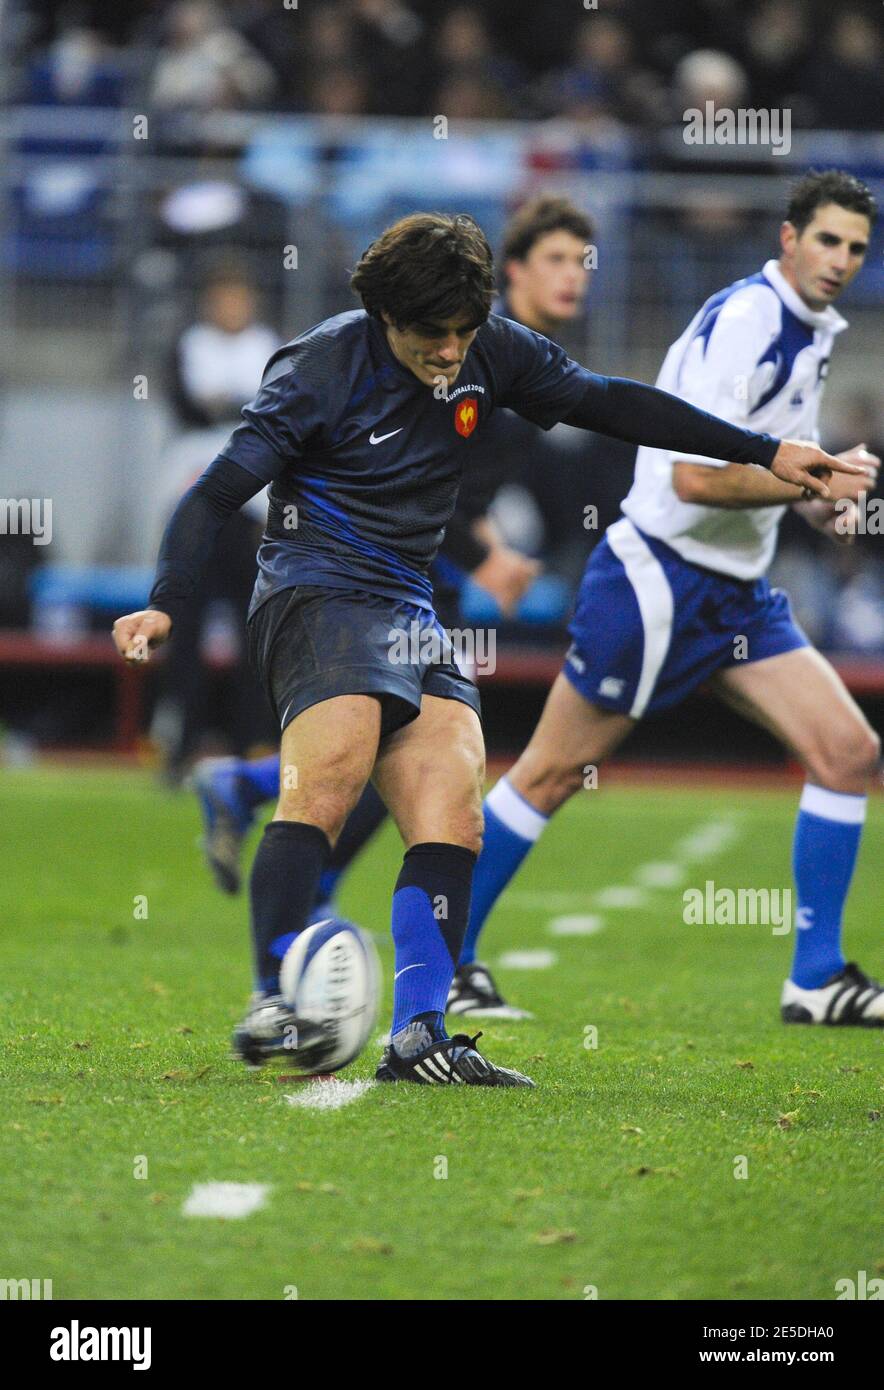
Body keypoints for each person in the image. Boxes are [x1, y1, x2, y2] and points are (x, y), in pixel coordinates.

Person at [112, 210, 856, 1087]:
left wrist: (768, 450)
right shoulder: (320, 366)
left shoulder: (491, 348)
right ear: (387, 315)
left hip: (409, 598)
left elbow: (612, 403)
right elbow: (212, 495)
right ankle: (275, 1000)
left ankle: (419, 1038)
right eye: (434, 335)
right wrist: (165, 603)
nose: (451, 352)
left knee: (452, 803)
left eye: (465, 332)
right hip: (313, 588)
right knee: (332, 775)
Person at [458, 170, 884, 1028]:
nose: (840, 259)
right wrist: (812, 485)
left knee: (849, 753)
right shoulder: (751, 322)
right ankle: (448, 959)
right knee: (545, 776)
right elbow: (693, 478)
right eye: (828, 240)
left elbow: (764, 471)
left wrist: (809, 492)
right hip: (659, 579)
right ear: (789, 240)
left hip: (732, 593)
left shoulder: (807, 326)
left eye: (857, 248)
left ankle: (817, 977)